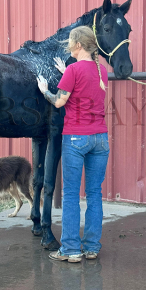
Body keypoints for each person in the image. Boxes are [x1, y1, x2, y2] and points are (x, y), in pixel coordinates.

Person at [36, 26, 110, 263]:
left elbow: (59, 102)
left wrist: (45, 90)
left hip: (76, 138)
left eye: (70, 43)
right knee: (94, 193)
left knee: (70, 194)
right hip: (100, 139)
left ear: (78, 46)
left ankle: (70, 250)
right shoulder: (102, 71)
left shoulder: (74, 70)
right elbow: (83, 82)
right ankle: (91, 248)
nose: (68, 46)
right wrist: (66, 71)